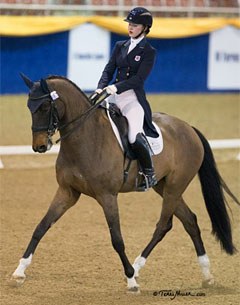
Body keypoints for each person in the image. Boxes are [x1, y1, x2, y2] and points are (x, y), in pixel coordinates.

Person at [95, 7, 158, 191]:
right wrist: (100, 88)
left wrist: (116, 87)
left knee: (133, 136)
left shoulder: (148, 51)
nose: (130, 27)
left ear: (145, 28)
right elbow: (108, 70)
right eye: (129, 24)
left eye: (135, 25)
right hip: (112, 96)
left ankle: (149, 173)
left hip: (132, 99)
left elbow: (138, 79)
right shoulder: (119, 46)